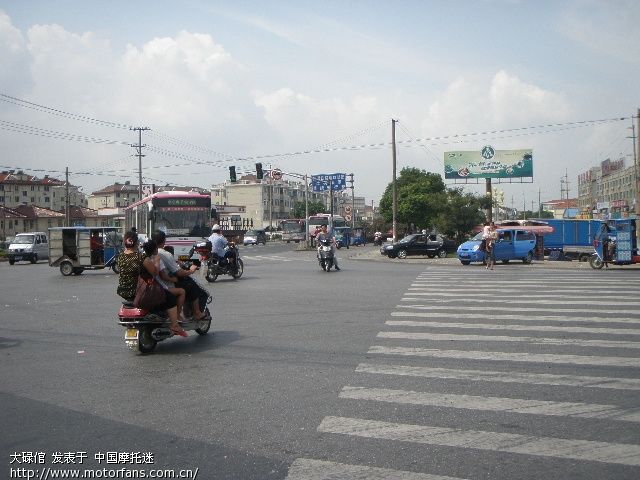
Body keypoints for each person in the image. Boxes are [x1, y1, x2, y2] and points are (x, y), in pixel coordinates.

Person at [116, 231, 187, 337]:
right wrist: (157, 261)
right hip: (140, 291)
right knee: (170, 298)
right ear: (136, 243)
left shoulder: (120, 257)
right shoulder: (140, 257)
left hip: (125, 292)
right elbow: (154, 272)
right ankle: (175, 325)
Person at [151, 230, 208, 320]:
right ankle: (195, 313)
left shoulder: (146, 254)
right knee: (190, 285)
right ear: (164, 241)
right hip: (164, 285)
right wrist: (191, 271)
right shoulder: (162, 255)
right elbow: (173, 274)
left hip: (153, 285)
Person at [142, 240, 187, 321]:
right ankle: (177, 316)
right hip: (159, 288)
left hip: (146, 287)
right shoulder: (157, 259)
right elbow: (163, 276)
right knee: (182, 291)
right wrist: (175, 279)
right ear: (155, 249)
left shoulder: (143, 259)